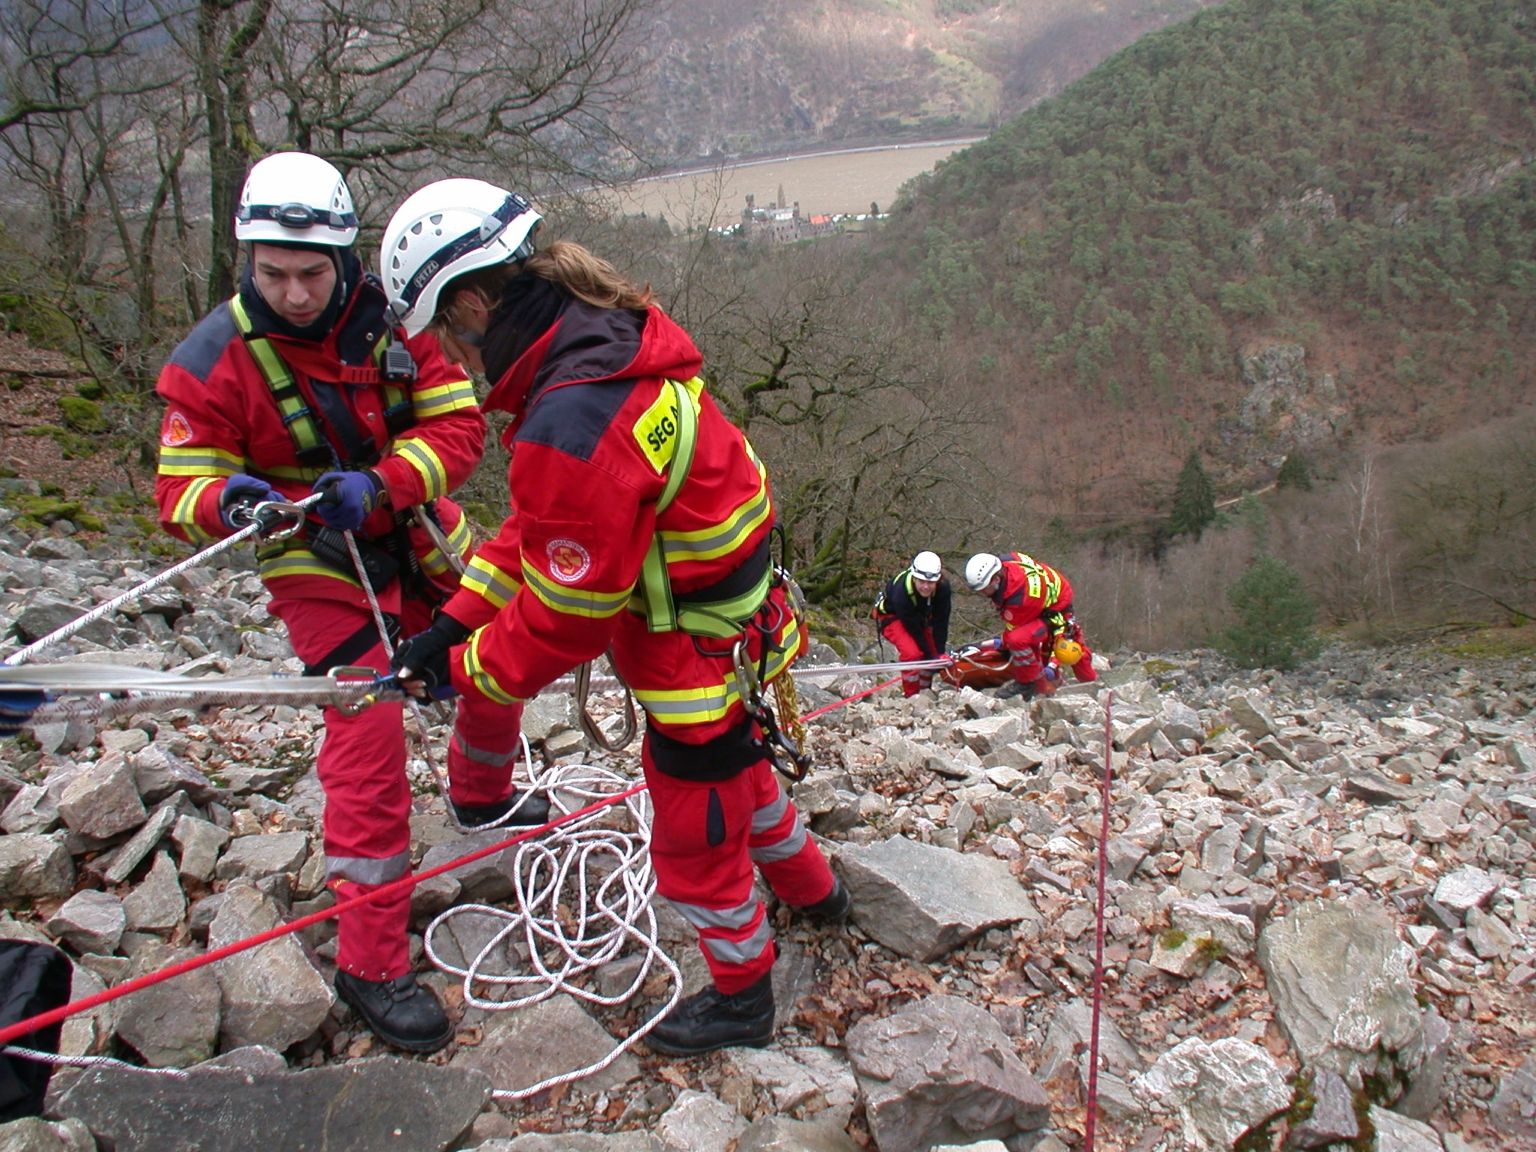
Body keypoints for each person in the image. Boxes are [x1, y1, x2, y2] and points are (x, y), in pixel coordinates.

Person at [377, 177, 849, 1056]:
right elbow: (543, 526)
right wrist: (456, 621)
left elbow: (566, 618)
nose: (454, 353)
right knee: (744, 781)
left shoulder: (571, 412)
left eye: (448, 330)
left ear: (475, 303)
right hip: (736, 625)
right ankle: (819, 893)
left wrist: (464, 669)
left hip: (687, 651)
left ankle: (745, 996)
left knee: (693, 834)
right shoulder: (609, 339)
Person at [152, 152, 551, 1056]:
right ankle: (370, 961)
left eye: (312, 273)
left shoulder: (396, 329)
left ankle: (480, 795)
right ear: (247, 262)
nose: (294, 293)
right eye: (274, 273)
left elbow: (456, 428)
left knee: (500, 636)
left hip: (408, 524)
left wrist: (378, 485)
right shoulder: (212, 360)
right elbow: (179, 486)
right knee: (366, 719)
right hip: (312, 559)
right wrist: (235, 502)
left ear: (344, 263)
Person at [962, 551, 1097, 699]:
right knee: (1039, 654)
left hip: (1055, 611)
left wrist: (983, 645)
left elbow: (1015, 637)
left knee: (1022, 641)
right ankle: (1049, 687)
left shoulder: (1019, 601)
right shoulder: (1007, 561)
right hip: (1050, 600)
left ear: (995, 580)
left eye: (983, 588)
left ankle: (1028, 684)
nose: (982, 593)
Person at [873, 551, 951, 696]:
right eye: (922, 582)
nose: (926, 587)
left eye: (930, 583)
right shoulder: (901, 593)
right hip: (893, 617)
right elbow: (914, 628)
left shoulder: (943, 589)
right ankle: (912, 696)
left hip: (918, 616)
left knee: (934, 654)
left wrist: (939, 653)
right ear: (914, 578)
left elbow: (941, 622)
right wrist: (930, 655)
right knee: (912, 653)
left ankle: (925, 692)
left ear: (937, 581)